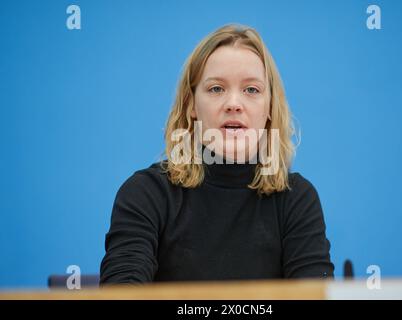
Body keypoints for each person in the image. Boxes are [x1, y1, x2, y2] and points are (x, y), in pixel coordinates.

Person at [100, 24, 334, 284]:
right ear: (191, 105)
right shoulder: (145, 193)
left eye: (252, 90)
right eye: (216, 89)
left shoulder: (297, 199)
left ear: (269, 107)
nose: (234, 104)